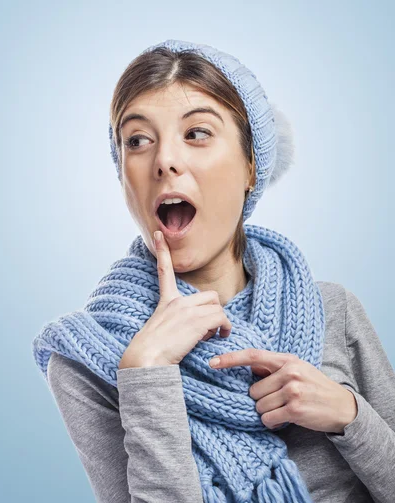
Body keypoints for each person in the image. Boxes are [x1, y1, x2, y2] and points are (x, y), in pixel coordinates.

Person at [32, 40, 395, 502]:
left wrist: (350, 417)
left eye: (197, 133)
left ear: (250, 165)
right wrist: (148, 372)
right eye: (137, 140)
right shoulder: (88, 358)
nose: (164, 160)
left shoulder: (333, 312)